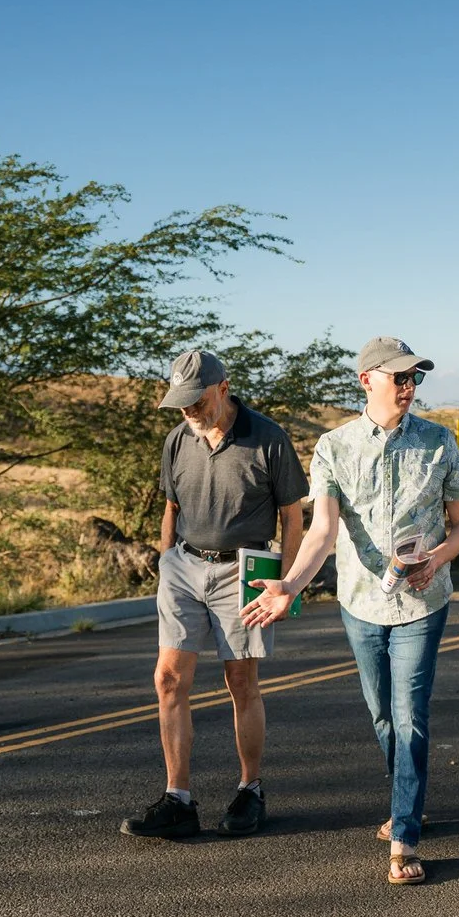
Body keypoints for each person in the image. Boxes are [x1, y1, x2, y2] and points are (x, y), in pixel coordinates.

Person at [245, 336, 459, 885]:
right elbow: (322, 530)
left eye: (414, 377)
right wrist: (290, 586)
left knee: (410, 715)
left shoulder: (440, 441)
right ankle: (406, 798)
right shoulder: (333, 446)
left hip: (424, 600)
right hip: (361, 602)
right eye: (398, 377)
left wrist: (438, 559)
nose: (408, 386)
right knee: (381, 714)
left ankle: (404, 836)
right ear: (366, 380)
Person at [120, 349, 309, 841]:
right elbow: (171, 505)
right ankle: (178, 799)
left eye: (197, 400)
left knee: (240, 681)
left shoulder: (268, 437)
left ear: (223, 387)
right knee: (167, 680)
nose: (189, 410)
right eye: (180, 402)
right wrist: (166, 561)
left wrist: (285, 585)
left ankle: (250, 791)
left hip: (242, 571)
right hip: (183, 566)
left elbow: (293, 517)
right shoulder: (177, 439)